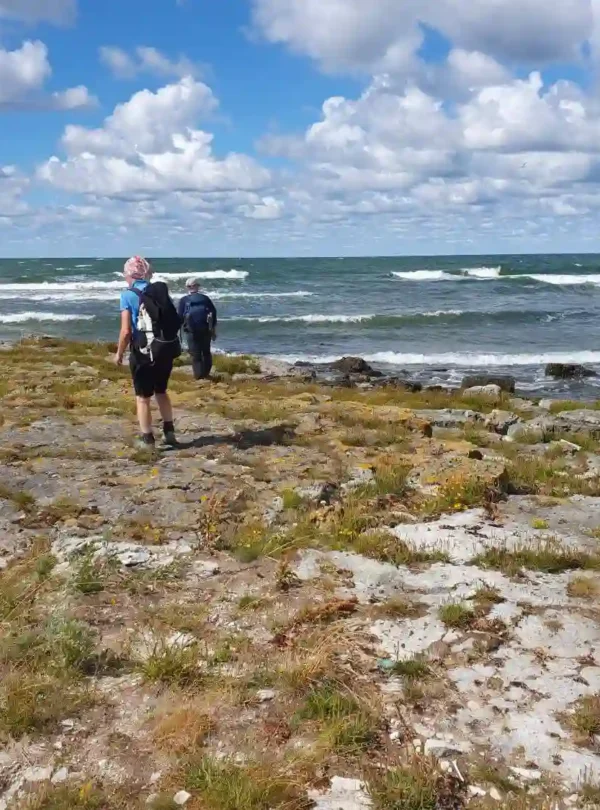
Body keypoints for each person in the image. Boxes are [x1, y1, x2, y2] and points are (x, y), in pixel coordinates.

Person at [115, 256, 179, 448]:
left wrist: (119, 353)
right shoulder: (157, 291)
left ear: (129, 274)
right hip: (163, 349)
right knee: (161, 391)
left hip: (142, 351)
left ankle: (147, 440)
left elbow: (126, 331)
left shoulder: (127, 295)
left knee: (143, 398)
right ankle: (169, 433)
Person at [178, 277, 218, 380]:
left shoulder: (184, 300)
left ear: (187, 287)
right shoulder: (205, 299)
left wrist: (179, 329)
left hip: (190, 331)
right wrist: (213, 328)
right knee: (206, 352)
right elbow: (213, 313)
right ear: (197, 286)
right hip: (205, 329)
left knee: (195, 354)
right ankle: (206, 374)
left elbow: (180, 317)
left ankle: (198, 376)